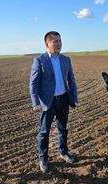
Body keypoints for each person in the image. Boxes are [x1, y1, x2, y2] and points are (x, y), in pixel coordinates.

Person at [29, 31, 79, 173]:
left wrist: (74, 98)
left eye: (59, 41)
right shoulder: (40, 60)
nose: (58, 44)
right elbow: (33, 83)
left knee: (63, 128)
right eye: (54, 41)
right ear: (47, 44)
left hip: (63, 99)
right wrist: (35, 102)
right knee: (44, 132)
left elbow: (71, 80)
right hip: (47, 102)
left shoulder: (65, 60)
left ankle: (63, 152)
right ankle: (43, 159)